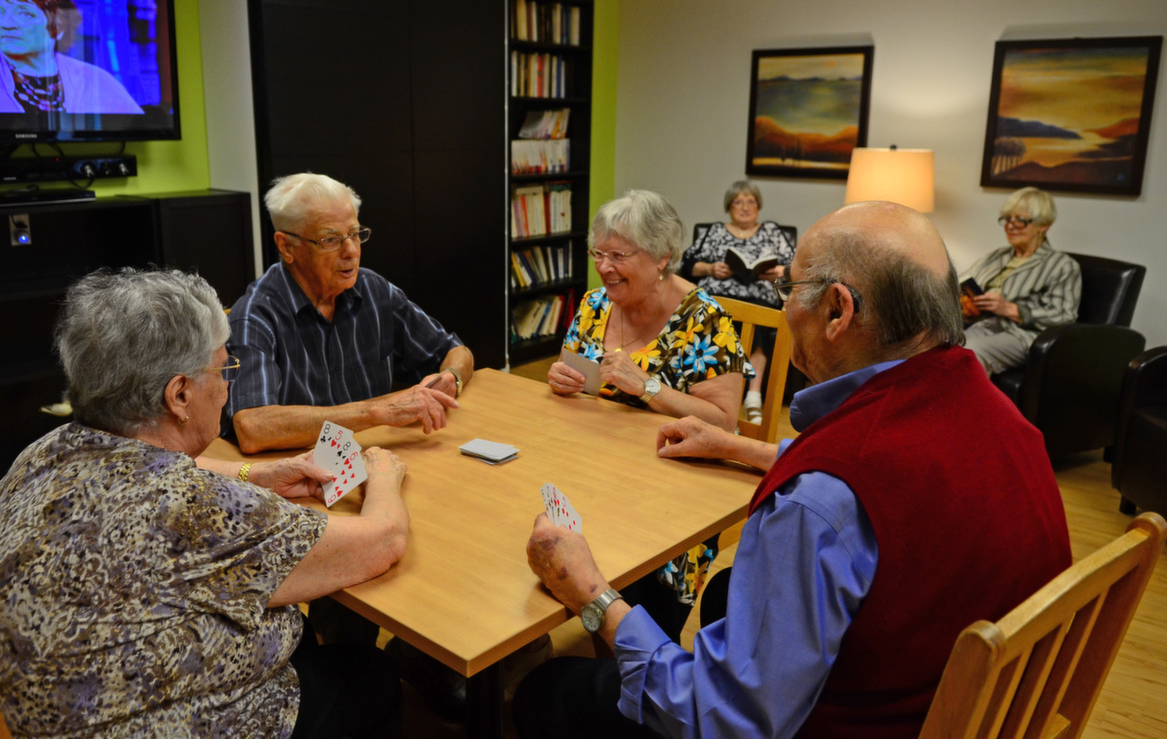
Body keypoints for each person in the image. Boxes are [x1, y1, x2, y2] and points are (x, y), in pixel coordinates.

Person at [514, 200, 1072, 739]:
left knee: (548, 690)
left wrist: (592, 596)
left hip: (822, 723)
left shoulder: (820, 499)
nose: (783, 306)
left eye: (788, 288)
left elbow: (721, 719)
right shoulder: (999, 415)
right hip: (961, 703)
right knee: (727, 594)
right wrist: (743, 449)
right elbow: (894, 477)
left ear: (838, 310)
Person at [0, 269, 410, 738]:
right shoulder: (193, 508)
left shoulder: (44, 451)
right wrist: (382, 476)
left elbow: (150, 470)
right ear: (179, 395)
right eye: (222, 369)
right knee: (372, 677)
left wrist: (257, 474)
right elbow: (384, 540)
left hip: (54, 713)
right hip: (167, 722)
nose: (226, 385)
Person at [548, 189, 754, 642]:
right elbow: (575, 377)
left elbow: (723, 422)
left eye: (618, 255)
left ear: (661, 257)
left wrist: (648, 386)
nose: (603, 267)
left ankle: (637, 642)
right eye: (598, 253)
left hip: (671, 495)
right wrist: (562, 379)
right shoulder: (595, 304)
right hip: (594, 469)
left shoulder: (703, 319)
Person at [225, 172, 475, 454]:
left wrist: (450, 378)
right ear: (286, 246)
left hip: (379, 457)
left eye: (355, 234)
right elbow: (253, 426)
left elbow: (456, 351)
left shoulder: (374, 290)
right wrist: (376, 411)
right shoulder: (255, 315)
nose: (351, 251)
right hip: (300, 476)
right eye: (330, 239)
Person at [679, 180, 796, 422]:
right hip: (720, 296)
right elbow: (688, 264)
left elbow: (795, 266)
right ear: (729, 207)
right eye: (738, 202)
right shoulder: (716, 231)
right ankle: (711, 395)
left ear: (759, 205)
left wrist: (779, 271)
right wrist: (711, 268)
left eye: (750, 201)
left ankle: (753, 396)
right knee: (718, 317)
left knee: (759, 320)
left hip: (759, 298)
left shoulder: (772, 231)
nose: (745, 207)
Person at [960, 186, 1081, 375]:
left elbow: (1064, 316)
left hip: (1019, 334)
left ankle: (971, 405)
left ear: (1044, 225)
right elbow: (960, 282)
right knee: (934, 344)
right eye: (1007, 218)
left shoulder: (1062, 265)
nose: (1010, 225)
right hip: (978, 324)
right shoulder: (995, 256)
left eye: (1021, 220)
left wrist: (1011, 309)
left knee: (969, 351)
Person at [0, 0, 142, 114]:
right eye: (0, 13)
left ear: (58, 25)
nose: (6, 24)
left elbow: (135, 126)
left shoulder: (95, 80)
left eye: (25, 14)